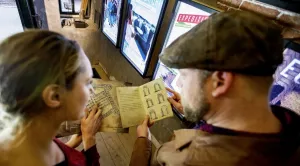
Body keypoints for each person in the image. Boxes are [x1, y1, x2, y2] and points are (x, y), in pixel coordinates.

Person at [129, 11, 300, 166]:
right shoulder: (286, 132)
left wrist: (143, 140)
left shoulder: (188, 161)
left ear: (220, 82)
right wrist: (203, 112)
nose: (180, 83)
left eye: (185, 75)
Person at [0, 30, 102, 166]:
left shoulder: (28, 133)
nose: (92, 90)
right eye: (88, 82)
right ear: (55, 96)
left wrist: (70, 144)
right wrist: (89, 139)